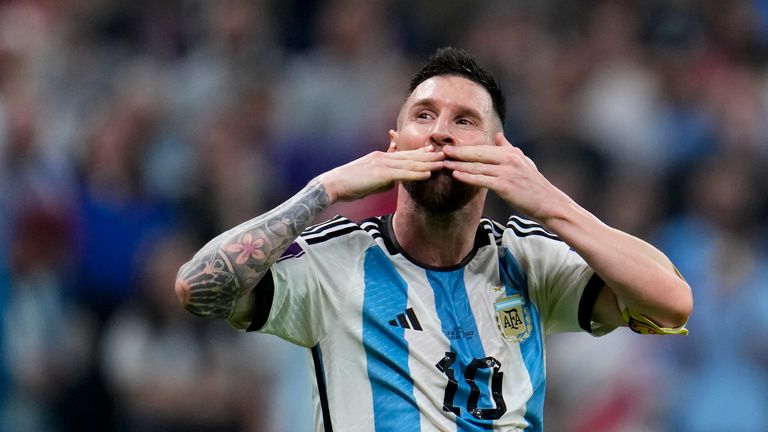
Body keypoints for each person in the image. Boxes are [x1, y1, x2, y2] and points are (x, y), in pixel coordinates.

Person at [175, 47, 692, 431]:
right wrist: (325, 189)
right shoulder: (336, 261)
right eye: (424, 116)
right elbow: (196, 289)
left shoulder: (528, 258)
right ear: (395, 146)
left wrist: (549, 201)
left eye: (464, 121)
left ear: (499, 152)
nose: (441, 132)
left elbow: (671, 304)